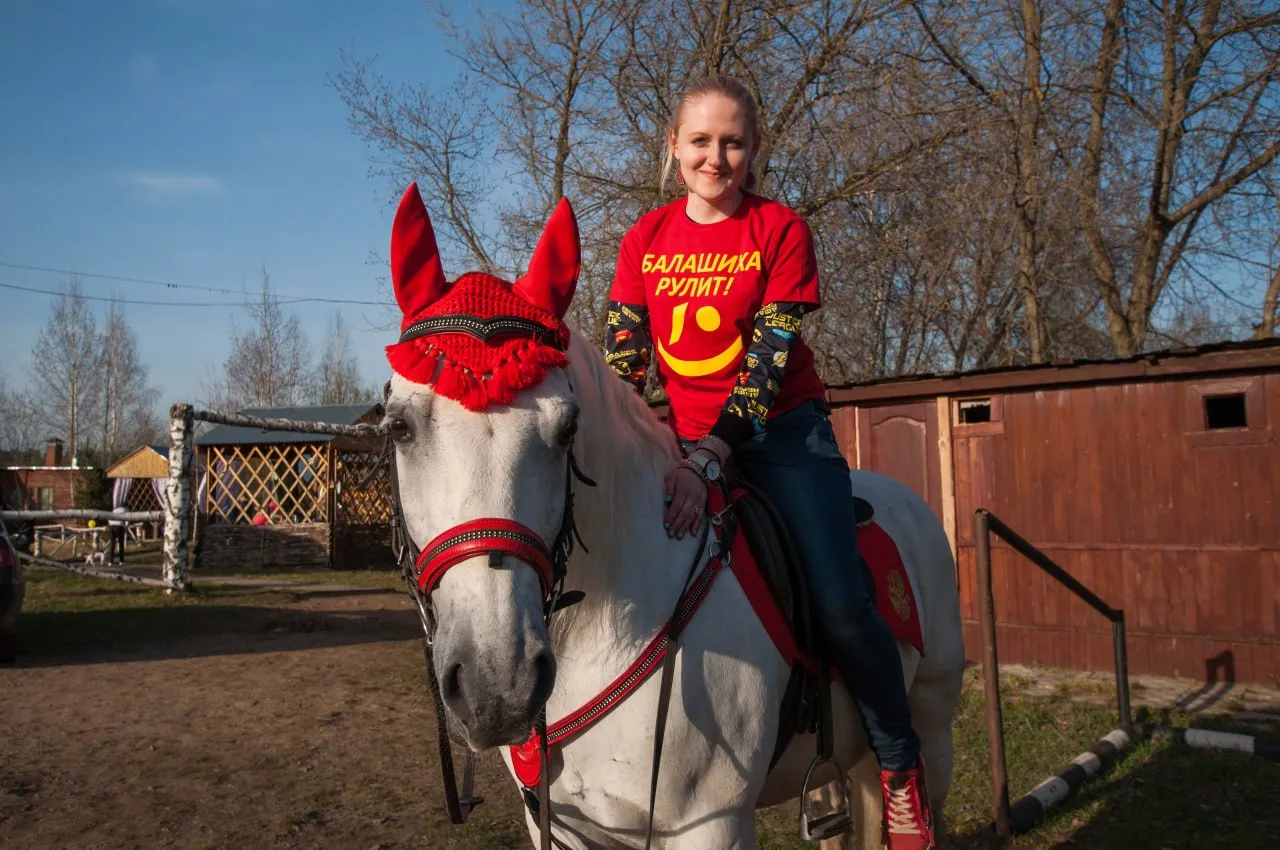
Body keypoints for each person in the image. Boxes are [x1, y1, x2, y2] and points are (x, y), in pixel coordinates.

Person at [603, 74, 935, 849]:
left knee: (840, 600)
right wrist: (632, 445)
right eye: (700, 141)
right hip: (678, 442)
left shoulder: (779, 229)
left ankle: (897, 766)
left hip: (783, 436)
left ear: (754, 151)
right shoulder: (642, 240)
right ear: (672, 149)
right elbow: (625, 369)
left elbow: (766, 365)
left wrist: (714, 455)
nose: (715, 157)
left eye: (732, 142)